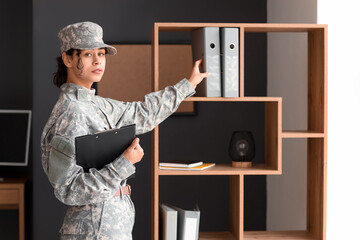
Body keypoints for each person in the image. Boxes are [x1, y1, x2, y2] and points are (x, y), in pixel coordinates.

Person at [40, 21, 209, 239]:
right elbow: (68, 190)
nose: (98, 60)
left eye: (101, 53)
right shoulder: (70, 112)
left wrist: (190, 83)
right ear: (68, 59)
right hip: (94, 230)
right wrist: (124, 163)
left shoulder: (96, 105)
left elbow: (143, 113)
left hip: (108, 223)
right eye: (88, 54)